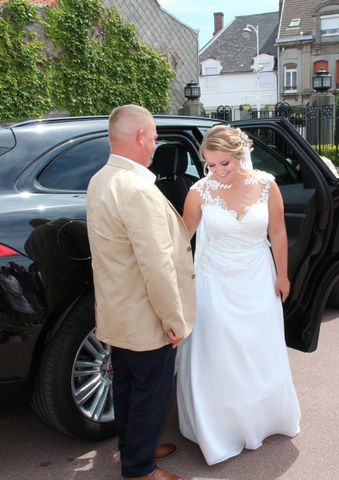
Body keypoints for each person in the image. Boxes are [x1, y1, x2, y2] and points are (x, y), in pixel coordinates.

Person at [176, 124, 301, 465]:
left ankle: (265, 418)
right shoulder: (199, 192)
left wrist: (284, 275)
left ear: (239, 156)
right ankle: (222, 428)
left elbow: (277, 231)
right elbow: (183, 238)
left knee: (258, 347)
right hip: (214, 281)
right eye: (210, 165)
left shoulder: (266, 185)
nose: (217, 172)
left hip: (258, 277)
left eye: (223, 165)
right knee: (223, 351)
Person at [86, 104, 195, 480]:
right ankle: (140, 469)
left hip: (117, 311)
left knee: (128, 387)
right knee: (150, 393)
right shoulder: (137, 189)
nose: (155, 143)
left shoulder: (101, 178)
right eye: (153, 136)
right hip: (146, 315)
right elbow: (157, 265)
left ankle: (134, 448)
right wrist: (173, 319)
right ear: (139, 137)